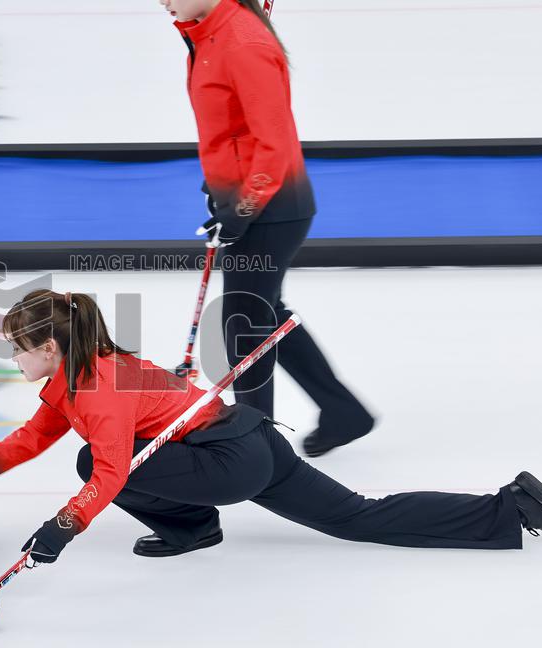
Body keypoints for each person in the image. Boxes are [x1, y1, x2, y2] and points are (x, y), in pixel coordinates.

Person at [0, 290, 542, 564]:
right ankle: (509, 509)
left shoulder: (98, 392)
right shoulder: (77, 374)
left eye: (18, 347)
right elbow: (33, 436)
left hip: (227, 461)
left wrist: (59, 531)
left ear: (52, 350)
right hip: (248, 440)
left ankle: (193, 526)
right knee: (357, 516)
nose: (13, 357)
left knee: (93, 466)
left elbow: (113, 472)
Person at [166, 0, 374, 456]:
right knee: (263, 314)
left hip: (271, 206)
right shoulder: (207, 33)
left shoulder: (243, 41)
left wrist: (241, 208)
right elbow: (231, 128)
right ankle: (343, 411)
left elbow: (274, 144)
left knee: (243, 323)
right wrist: (218, 187)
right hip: (254, 200)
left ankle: (255, 446)